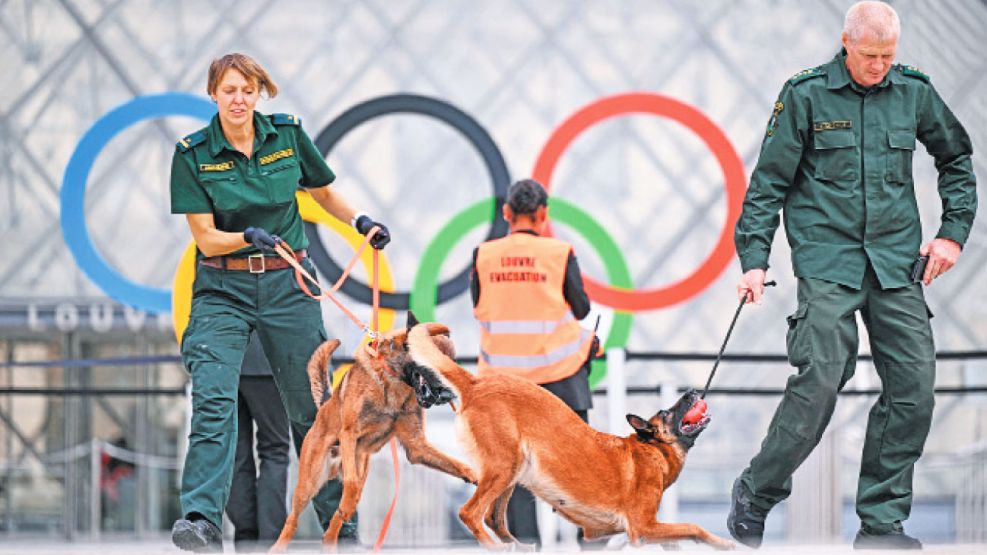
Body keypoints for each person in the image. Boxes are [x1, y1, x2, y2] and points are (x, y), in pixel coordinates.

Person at [727, 2, 977, 550]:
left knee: (913, 389)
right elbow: (768, 183)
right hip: (828, 264)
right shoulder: (806, 94)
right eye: (869, 57)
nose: (880, 67)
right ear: (846, 43)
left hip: (895, 266)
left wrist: (952, 233)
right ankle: (757, 491)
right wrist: (753, 259)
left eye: (889, 57)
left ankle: (882, 523)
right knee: (820, 381)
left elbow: (956, 158)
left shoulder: (914, 91)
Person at [169, 52, 390, 552]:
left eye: (247, 89)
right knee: (212, 402)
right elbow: (205, 239)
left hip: (287, 284)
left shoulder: (287, 135)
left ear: (259, 92)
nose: (239, 99)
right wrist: (248, 236)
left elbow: (326, 193)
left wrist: (362, 223)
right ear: (214, 94)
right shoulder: (193, 153)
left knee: (314, 410)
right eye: (229, 90)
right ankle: (201, 521)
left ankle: (341, 527)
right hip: (222, 289)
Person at [470, 179, 599, 547]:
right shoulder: (560, 252)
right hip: (560, 379)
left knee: (513, 476)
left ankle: (525, 545)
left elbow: (479, 306)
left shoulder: (484, 255)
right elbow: (582, 308)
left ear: (507, 213)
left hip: (503, 387)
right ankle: (589, 543)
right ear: (542, 214)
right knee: (577, 471)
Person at [225, 332, 289, 553]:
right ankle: (270, 540)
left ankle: (245, 538)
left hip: (226, 361)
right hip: (267, 359)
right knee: (275, 450)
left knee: (236, 451)